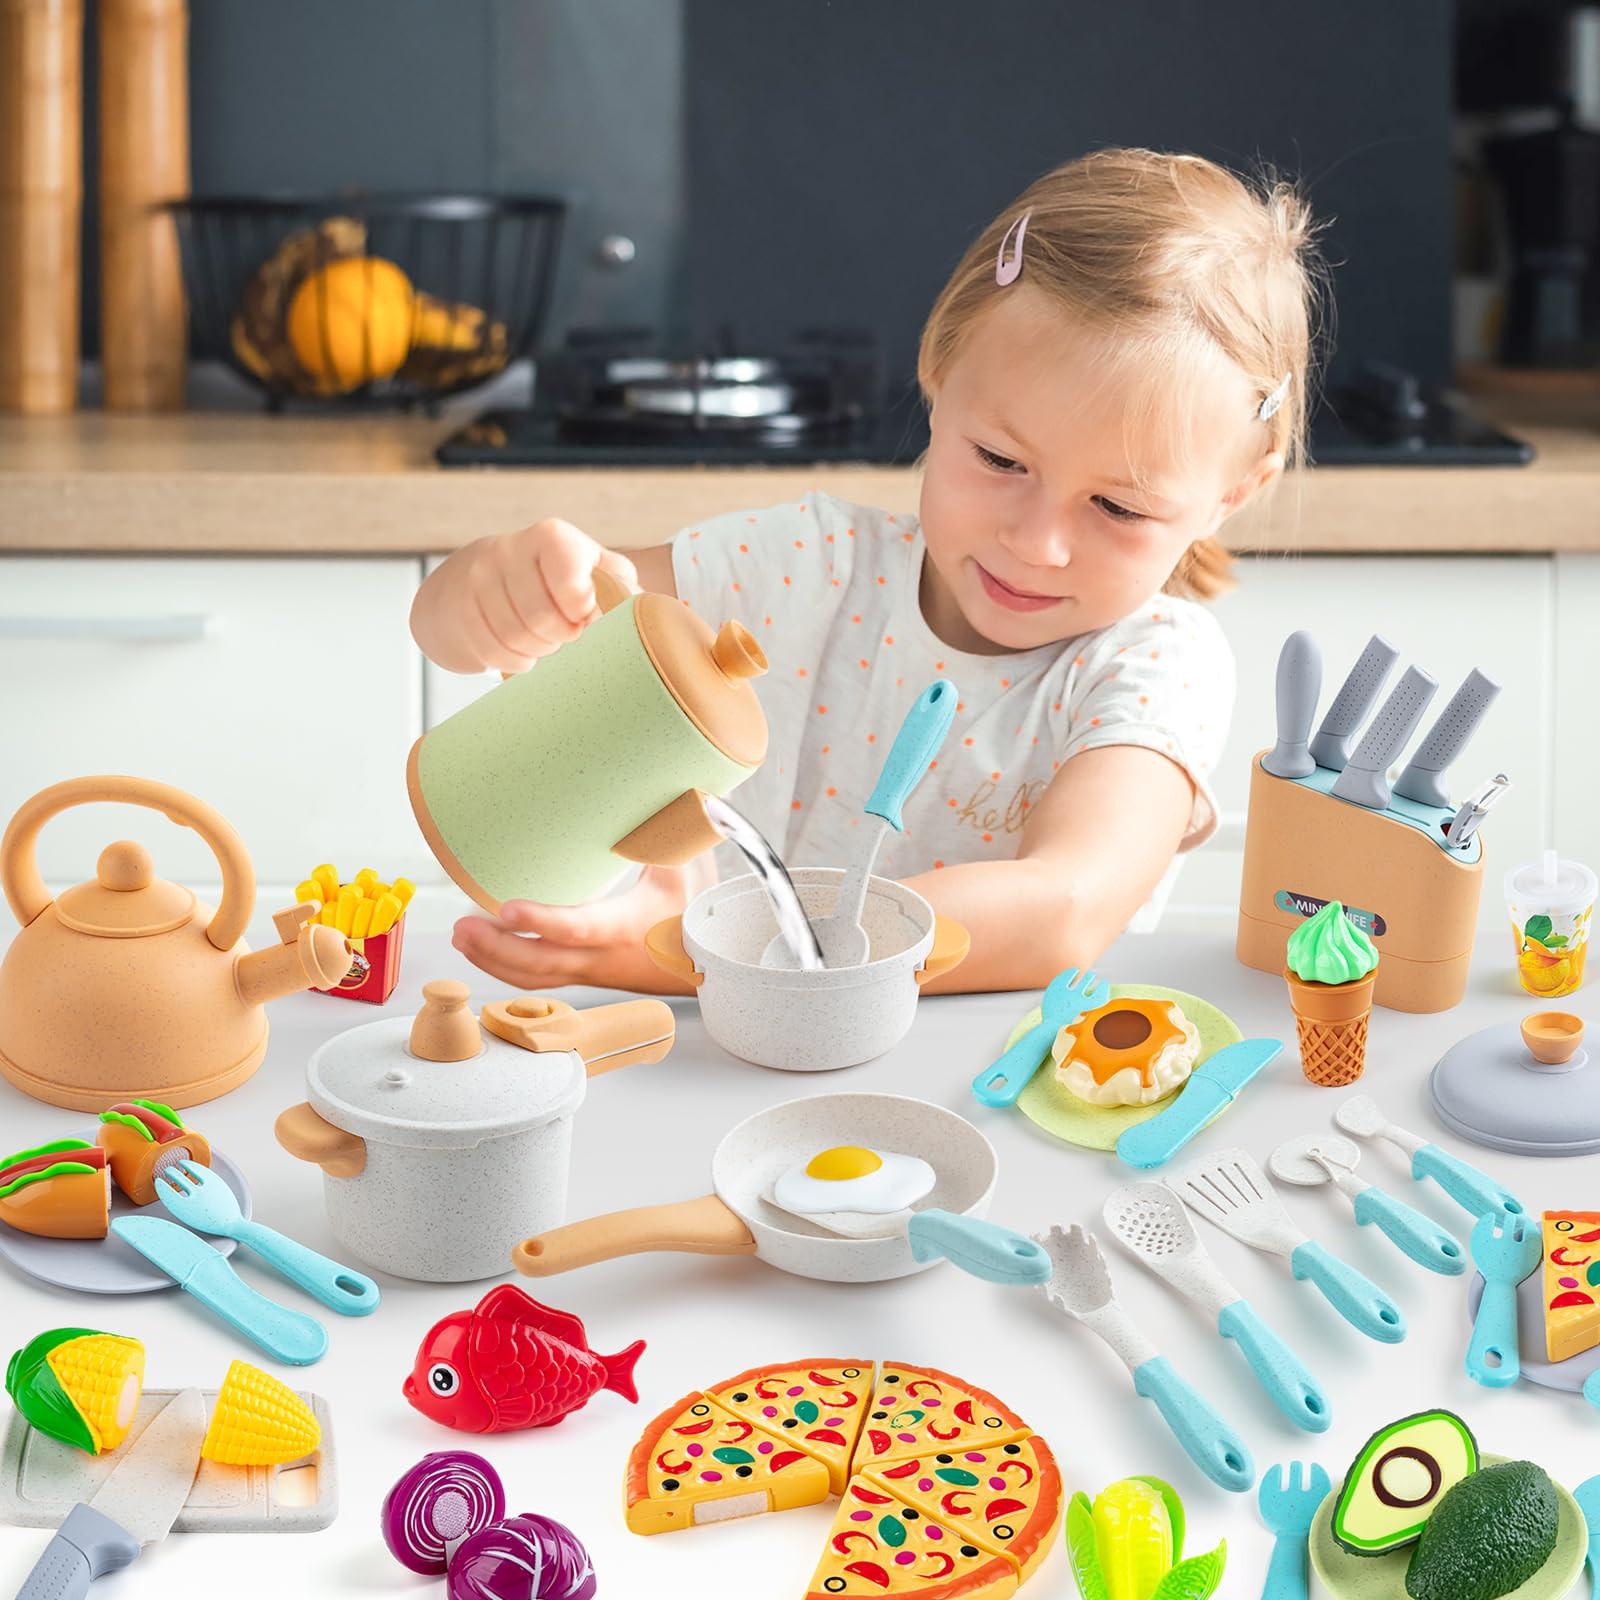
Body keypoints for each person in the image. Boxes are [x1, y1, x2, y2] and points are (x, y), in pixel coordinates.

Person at [411, 147, 1325, 994]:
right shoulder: (804, 563)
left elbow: (1065, 910)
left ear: (1234, 493)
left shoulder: (1155, 665)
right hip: (710, 1063)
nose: (1037, 542)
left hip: (978, 1098)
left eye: (1119, 508)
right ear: (937, 372)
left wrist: (706, 947)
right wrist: (493, 587)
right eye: (1002, 461)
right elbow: (464, 635)